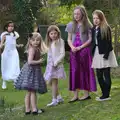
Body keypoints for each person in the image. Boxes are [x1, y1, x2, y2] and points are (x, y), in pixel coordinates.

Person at [65, 5, 96, 102]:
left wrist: (80, 47)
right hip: (74, 52)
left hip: (84, 51)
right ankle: (75, 95)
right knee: (74, 71)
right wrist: (72, 47)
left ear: (82, 14)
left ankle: (86, 94)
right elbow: (69, 39)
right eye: (75, 14)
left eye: (78, 13)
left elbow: (90, 39)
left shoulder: (88, 25)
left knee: (85, 70)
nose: (76, 15)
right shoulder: (70, 25)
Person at [15, 32, 47, 115]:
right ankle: (34, 109)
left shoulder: (35, 48)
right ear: (30, 41)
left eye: (38, 40)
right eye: (33, 40)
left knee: (29, 91)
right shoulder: (32, 49)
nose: (35, 42)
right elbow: (30, 62)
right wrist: (39, 61)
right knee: (32, 91)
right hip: (31, 71)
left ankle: (27, 109)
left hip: (32, 71)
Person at [91, 10, 118, 101]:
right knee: (99, 75)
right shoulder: (94, 29)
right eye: (94, 18)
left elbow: (109, 43)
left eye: (97, 18)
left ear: (101, 18)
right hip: (97, 53)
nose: (95, 20)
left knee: (106, 74)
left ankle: (106, 95)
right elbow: (93, 42)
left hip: (106, 53)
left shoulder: (106, 28)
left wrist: (106, 55)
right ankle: (104, 93)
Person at [44, 25, 66, 107]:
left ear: (58, 33)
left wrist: (56, 62)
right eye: (51, 34)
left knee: (54, 82)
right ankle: (59, 97)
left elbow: (62, 53)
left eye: (55, 33)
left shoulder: (60, 41)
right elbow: (49, 55)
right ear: (48, 35)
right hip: (50, 65)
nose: (53, 35)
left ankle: (54, 100)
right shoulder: (50, 43)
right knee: (49, 82)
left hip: (56, 65)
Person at [0, 21, 23, 89]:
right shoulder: (4, 35)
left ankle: (15, 81)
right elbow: (1, 45)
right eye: (9, 26)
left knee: (15, 66)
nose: (11, 27)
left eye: (12, 26)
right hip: (6, 53)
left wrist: (18, 45)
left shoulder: (15, 34)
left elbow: (14, 43)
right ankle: (4, 81)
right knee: (6, 67)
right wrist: (1, 43)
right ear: (6, 27)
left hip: (14, 53)